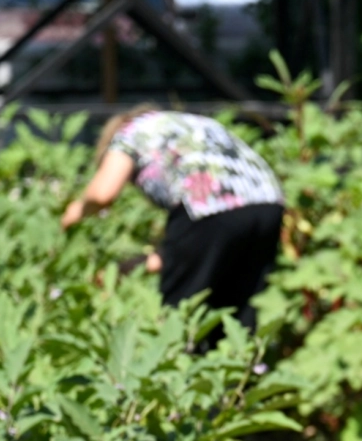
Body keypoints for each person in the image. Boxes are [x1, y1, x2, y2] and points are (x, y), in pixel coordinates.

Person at [62, 108, 286, 332]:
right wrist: (127, 268)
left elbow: (102, 194)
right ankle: (240, 365)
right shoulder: (192, 123)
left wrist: (74, 214)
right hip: (267, 202)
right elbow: (187, 251)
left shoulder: (130, 132)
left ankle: (180, 363)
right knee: (238, 312)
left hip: (209, 198)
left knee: (179, 314)